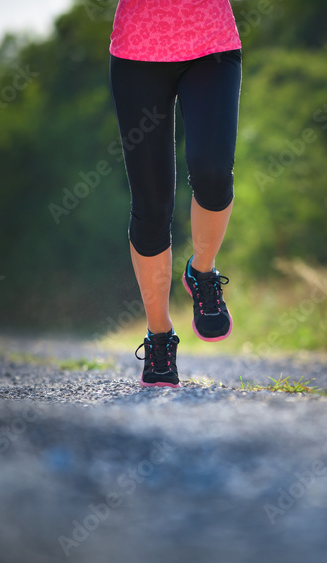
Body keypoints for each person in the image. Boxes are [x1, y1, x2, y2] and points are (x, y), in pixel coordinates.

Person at [108, 0, 242, 388]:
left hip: (212, 47)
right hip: (137, 54)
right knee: (152, 206)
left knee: (214, 172)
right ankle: (160, 336)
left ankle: (202, 272)